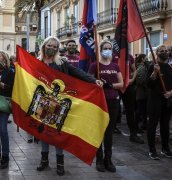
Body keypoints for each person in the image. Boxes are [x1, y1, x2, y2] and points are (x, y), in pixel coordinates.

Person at [36, 36, 103, 176]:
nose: (52, 48)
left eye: (55, 47)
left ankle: (60, 163)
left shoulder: (62, 62)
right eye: (50, 45)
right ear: (44, 46)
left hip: (58, 103)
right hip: (42, 102)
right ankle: (44, 160)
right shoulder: (37, 62)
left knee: (57, 132)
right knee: (43, 133)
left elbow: (78, 73)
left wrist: (94, 80)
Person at [88, 40, 123, 173]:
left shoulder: (115, 66)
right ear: (100, 50)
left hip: (113, 101)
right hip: (99, 102)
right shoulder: (94, 65)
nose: (108, 50)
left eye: (110, 48)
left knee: (109, 131)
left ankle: (109, 160)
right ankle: (99, 160)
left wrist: (110, 85)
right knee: (99, 131)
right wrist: (96, 84)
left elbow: (121, 83)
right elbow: (89, 82)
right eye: (105, 48)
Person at [147, 44, 172, 160]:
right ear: (157, 53)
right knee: (152, 125)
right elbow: (149, 84)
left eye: (166, 51)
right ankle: (152, 150)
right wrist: (154, 73)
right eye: (162, 51)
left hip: (168, 100)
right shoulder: (153, 66)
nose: (165, 52)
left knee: (165, 125)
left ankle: (165, 149)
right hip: (155, 100)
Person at [135, 54, 148, 130]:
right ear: (142, 59)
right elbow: (140, 80)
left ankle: (144, 124)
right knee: (140, 109)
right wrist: (146, 86)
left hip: (142, 91)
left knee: (142, 109)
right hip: (141, 91)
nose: (146, 59)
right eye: (145, 58)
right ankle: (136, 126)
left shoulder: (142, 67)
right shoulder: (141, 67)